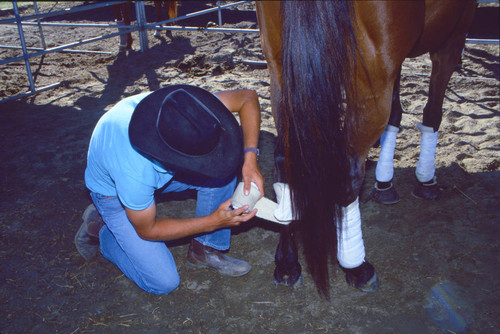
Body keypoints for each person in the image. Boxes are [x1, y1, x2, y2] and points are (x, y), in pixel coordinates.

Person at [75, 84, 264, 295]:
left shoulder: (187, 112)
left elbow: (247, 98)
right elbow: (148, 229)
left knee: (223, 172)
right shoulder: (135, 170)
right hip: (114, 194)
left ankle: (204, 249)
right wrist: (213, 221)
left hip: (157, 168)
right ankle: (101, 227)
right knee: (162, 282)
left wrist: (250, 159)